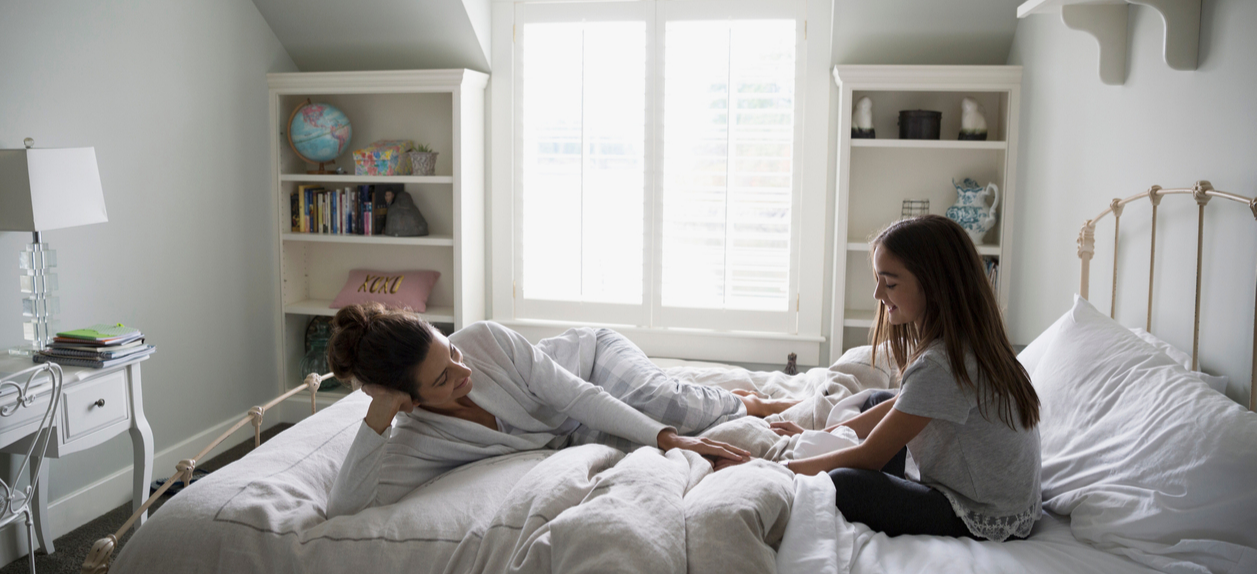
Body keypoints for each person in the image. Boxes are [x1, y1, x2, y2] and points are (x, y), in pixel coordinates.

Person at [325, 303, 800, 519]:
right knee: (665, 456)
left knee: (669, 406)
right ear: (407, 400)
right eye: (443, 379)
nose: (461, 371)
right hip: (570, 434)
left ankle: (752, 401)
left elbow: (580, 398)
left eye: (451, 352)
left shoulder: (486, 339)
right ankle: (728, 407)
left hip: (589, 366)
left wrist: (668, 435)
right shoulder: (414, 440)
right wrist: (378, 414)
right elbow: (345, 508)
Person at [769, 215, 1042, 542]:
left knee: (845, 483)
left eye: (890, 282)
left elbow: (870, 457)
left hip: (977, 512)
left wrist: (781, 470)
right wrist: (819, 435)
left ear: (935, 284)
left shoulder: (941, 365)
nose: (877, 294)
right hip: (1008, 501)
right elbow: (903, 402)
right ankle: (834, 447)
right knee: (878, 400)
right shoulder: (976, 344)